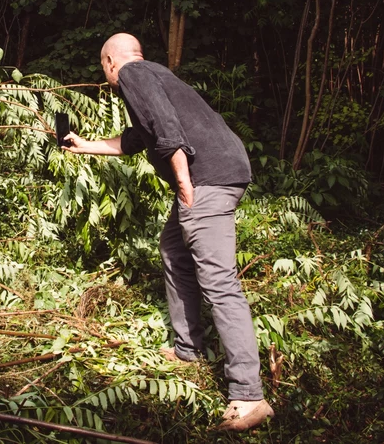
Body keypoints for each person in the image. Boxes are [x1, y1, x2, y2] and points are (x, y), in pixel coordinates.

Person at [63, 33, 274, 432]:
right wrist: (83, 144)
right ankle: (187, 348)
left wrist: (183, 184)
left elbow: (166, 127)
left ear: (110, 62)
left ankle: (249, 395)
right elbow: (136, 140)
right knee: (174, 250)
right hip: (221, 170)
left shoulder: (133, 74)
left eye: (104, 65)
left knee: (219, 281)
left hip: (205, 180)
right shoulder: (156, 74)